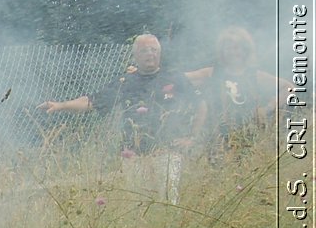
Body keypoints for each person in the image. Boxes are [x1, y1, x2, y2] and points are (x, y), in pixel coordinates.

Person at [38, 32, 198, 202]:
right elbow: (92, 101)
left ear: (160, 52)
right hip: (133, 155)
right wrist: (61, 105)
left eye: (154, 49)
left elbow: (200, 104)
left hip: (167, 153)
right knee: (139, 203)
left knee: (169, 200)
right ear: (135, 55)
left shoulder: (175, 78)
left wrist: (192, 137)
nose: (150, 54)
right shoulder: (125, 82)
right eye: (144, 51)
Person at [184, 26, 290, 156]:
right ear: (222, 51)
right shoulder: (212, 73)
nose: (233, 52)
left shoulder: (255, 75)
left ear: (245, 50)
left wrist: (267, 108)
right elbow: (182, 80)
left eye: (237, 48)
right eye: (228, 48)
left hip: (252, 141)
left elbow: (289, 88)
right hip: (218, 143)